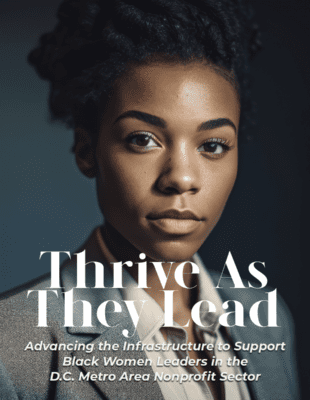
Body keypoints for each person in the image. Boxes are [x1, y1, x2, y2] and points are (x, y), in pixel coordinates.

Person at [0, 0, 299, 399]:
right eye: (143, 140)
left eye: (212, 145)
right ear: (87, 151)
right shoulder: (11, 345)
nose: (181, 178)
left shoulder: (269, 320)